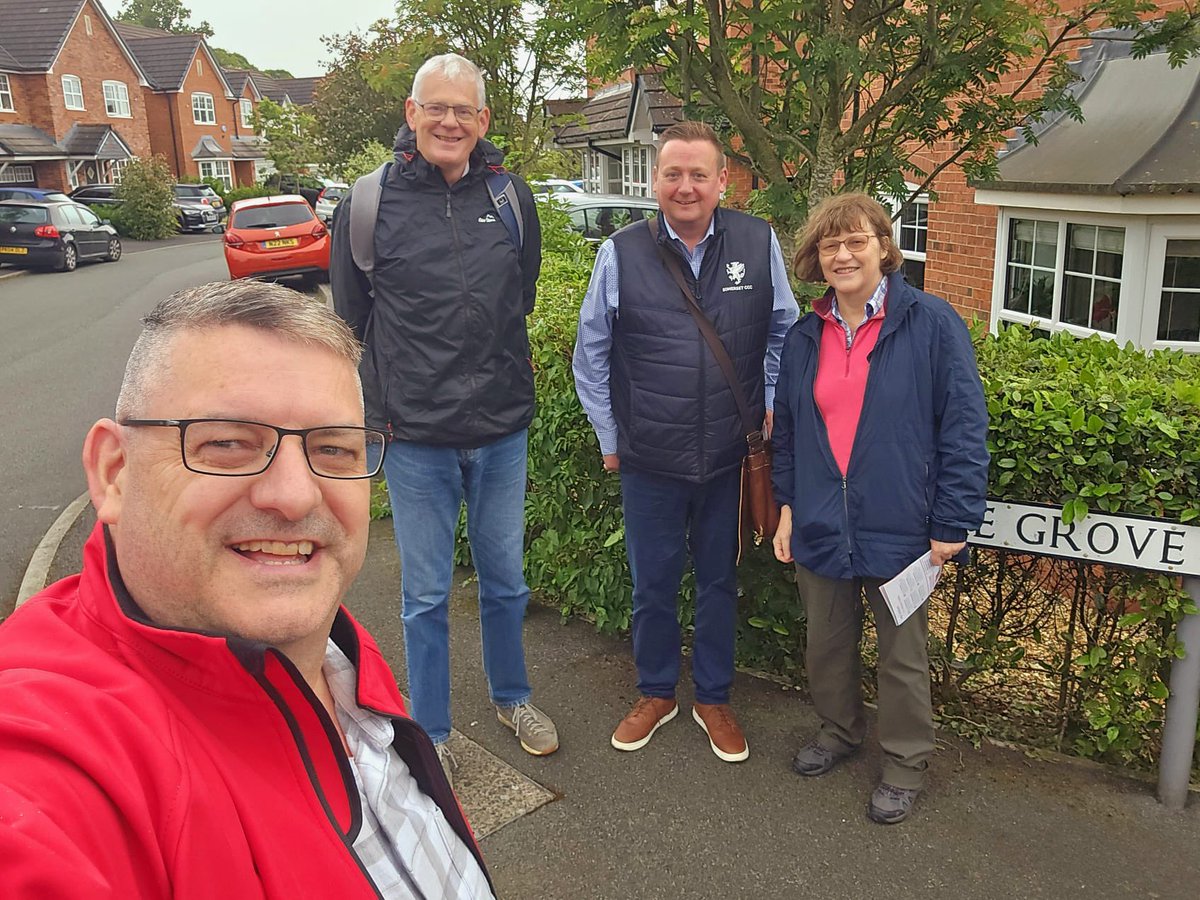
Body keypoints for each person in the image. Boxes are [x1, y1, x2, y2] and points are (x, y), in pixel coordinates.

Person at [0, 281, 496, 897]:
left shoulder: (331, 649)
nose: (294, 496)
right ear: (114, 472)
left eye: (334, 448)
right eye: (228, 443)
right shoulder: (54, 751)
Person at [330, 53, 556, 782]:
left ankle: (511, 697)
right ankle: (432, 731)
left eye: (465, 110)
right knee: (424, 592)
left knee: (505, 579)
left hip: (500, 430)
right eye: (437, 108)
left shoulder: (511, 197)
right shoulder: (368, 204)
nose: (450, 121)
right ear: (412, 113)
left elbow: (517, 297)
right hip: (417, 436)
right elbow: (351, 321)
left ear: (484, 121)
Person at [573, 120, 799, 763]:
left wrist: (772, 408)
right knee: (652, 581)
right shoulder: (621, 251)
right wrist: (609, 434)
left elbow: (782, 331)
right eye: (673, 173)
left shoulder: (757, 243)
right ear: (655, 178)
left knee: (719, 582)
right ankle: (655, 692)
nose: (685, 186)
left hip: (730, 455)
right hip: (649, 455)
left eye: (700, 173)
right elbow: (591, 352)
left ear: (723, 180)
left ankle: (714, 697)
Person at [771, 192, 989, 824]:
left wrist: (952, 520)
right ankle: (839, 733)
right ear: (816, 257)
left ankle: (904, 763)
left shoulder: (931, 322)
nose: (842, 254)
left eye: (856, 241)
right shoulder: (804, 336)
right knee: (826, 645)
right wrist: (787, 506)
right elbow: (786, 430)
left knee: (901, 656)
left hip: (901, 526)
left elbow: (964, 427)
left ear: (884, 248)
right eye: (830, 245)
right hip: (817, 520)